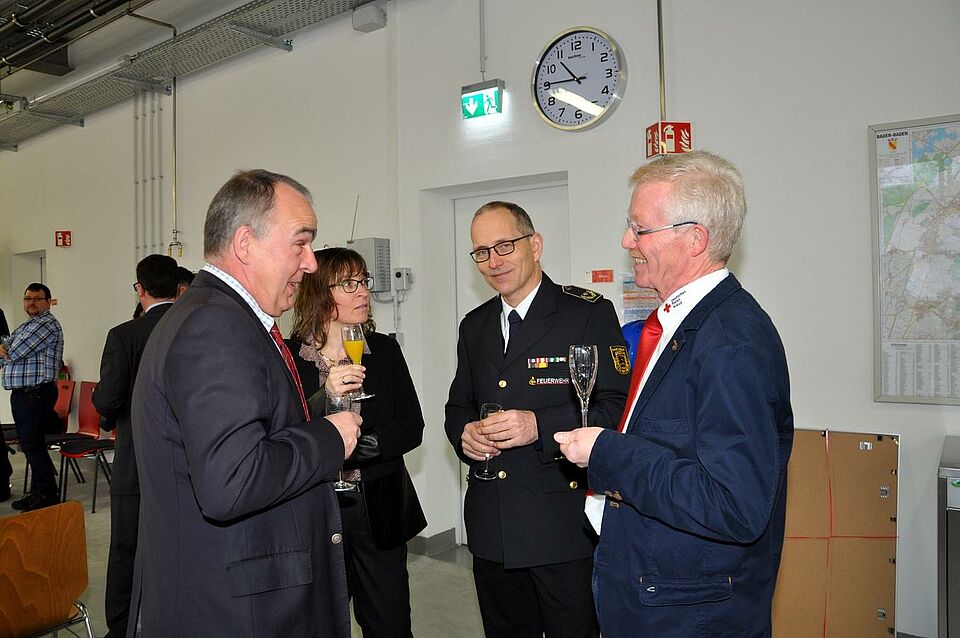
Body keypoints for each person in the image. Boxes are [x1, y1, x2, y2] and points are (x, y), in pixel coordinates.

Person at [555, 151, 794, 637]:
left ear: (695, 239)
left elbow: (735, 504)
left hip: (690, 617)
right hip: (655, 597)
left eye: (640, 229)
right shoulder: (681, 323)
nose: (627, 241)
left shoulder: (729, 342)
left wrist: (607, 451)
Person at [129, 169, 361, 637]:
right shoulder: (214, 326)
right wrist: (329, 438)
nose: (310, 263)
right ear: (245, 243)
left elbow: (251, 434)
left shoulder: (220, 316)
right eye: (300, 242)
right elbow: (231, 481)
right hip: (238, 609)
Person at [445, 201, 629, 638]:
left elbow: (617, 407)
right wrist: (465, 434)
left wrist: (538, 426)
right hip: (493, 526)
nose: (494, 261)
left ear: (535, 245)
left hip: (560, 527)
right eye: (482, 252)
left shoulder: (585, 314)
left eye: (505, 245)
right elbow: (458, 406)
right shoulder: (475, 326)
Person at [288, 247, 427, 638]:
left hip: (376, 506)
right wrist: (325, 401)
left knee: (390, 623)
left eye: (363, 281)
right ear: (319, 291)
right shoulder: (289, 357)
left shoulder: (384, 350)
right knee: (318, 624)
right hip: (314, 508)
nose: (363, 291)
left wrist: (357, 449)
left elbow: (411, 426)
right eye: (348, 284)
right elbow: (284, 431)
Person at [92, 253, 178, 638]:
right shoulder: (195, 327)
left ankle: (122, 628)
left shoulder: (125, 335)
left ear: (140, 289)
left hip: (136, 461)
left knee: (126, 548)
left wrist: (106, 412)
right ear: (178, 288)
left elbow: (107, 399)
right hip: (185, 463)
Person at [0, 283, 64, 511]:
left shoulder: (46, 324)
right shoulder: (28, 325)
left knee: (32, 446)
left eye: (37, 299)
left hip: (35, 394)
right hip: (25, 395)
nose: (32, 303)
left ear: (48, 302)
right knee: (30, 445)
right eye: (28, 299)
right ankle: (38, 492)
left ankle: (47, 494)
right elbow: (6, 346)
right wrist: (3, 349)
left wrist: (4, 349)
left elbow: (14, 350)